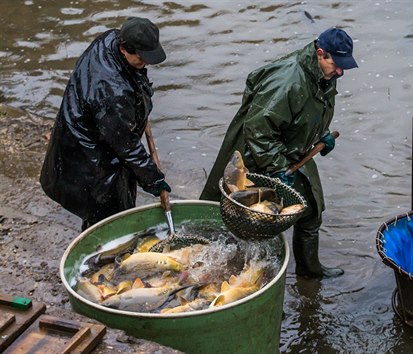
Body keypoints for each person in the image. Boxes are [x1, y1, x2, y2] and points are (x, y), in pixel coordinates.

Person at [200, 28, 358, 278]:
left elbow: (311, 112)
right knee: (241, 220)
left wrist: (321, 136)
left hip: (294, 149)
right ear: (320, 54)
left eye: (344, 66)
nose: (340, 71)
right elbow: (258, 129)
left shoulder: (325, 75)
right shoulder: (288, 80)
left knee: (311, 210)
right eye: (337, 65)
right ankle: (229, 272)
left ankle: (310, 271)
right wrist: (277, 167)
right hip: (256, 154)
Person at [40, 17, 171, 231]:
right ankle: (101, 253)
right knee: (109, 217)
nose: (145, 63)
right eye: (141, 58)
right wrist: (153, 179)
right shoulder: (111, 90)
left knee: (107, 209)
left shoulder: (110, 38)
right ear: (124, 49)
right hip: (91, 156)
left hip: (92, 130)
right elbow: (126, 146)